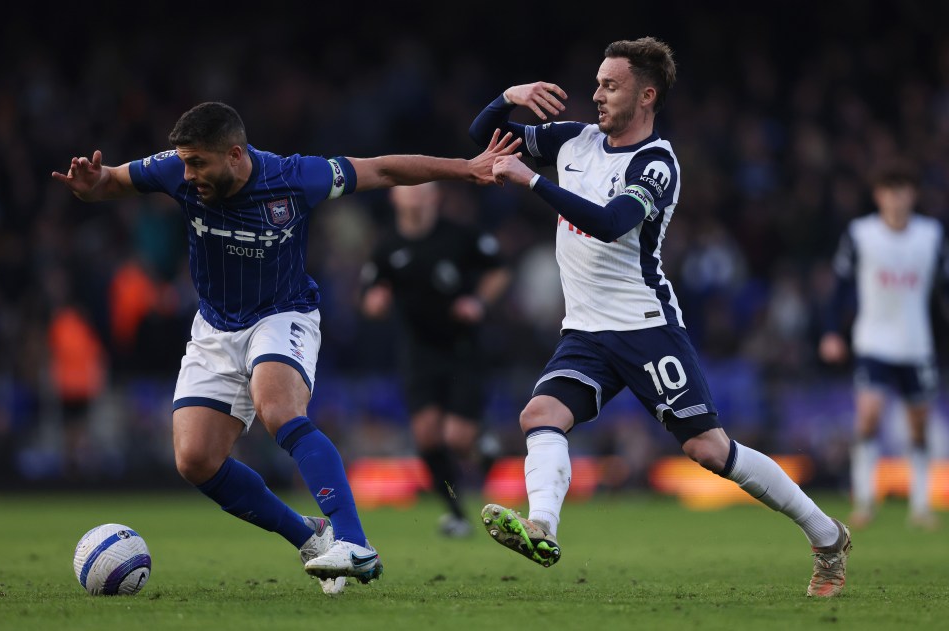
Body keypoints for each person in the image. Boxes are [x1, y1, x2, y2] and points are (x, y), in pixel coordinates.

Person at [52, 101, 520, 594]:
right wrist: (93, 185)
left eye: (198, 164)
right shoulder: (175, 169)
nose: (187, 176)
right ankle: (309, 536)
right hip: (214, 327)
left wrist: (466, 169)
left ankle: (356, 542)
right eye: (184, 163)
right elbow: (114, 181)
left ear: (235, 155)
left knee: (276, 408)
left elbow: (381, 168)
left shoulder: (295, 178)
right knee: (194, 460)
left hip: (282, 314)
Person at [468, 37, 852, 597]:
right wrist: (509, 96)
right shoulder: (573, 139)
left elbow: (609, 222)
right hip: (585, 331)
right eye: (597, 82)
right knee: (539, 414)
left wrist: (533, 181)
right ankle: (542, 527)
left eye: (610, 85)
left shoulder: (657, 164)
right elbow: (484, 138)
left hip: (645, 326)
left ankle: (827, 537)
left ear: (646, 95)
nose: (596, 94)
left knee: (709, 450)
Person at [359, 182, 510, 537]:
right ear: (394, 197)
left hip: (462, 348)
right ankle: (456, 511)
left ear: (434, 196)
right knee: (427, 437)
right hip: (418, 351)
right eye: (406, 189)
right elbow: (368, 294)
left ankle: (480, 443)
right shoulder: (387, 247)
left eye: (421, 189)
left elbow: (499, 269)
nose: (414, 195)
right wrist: (375, 302)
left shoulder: (459, 236)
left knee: (456, 438)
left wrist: (479, 303)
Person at [819, 160, 944, 531]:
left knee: (918, 426)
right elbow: (839, 288)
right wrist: (831, 332)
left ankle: (921, 505)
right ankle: (864, 500)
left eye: (903, 189)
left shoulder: (931, 235)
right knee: (869, 416)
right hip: (873, 340)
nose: (896, 197)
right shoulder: (861, 234)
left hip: (916, 343)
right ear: (878, 196)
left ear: (913, 194)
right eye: (889, 190)